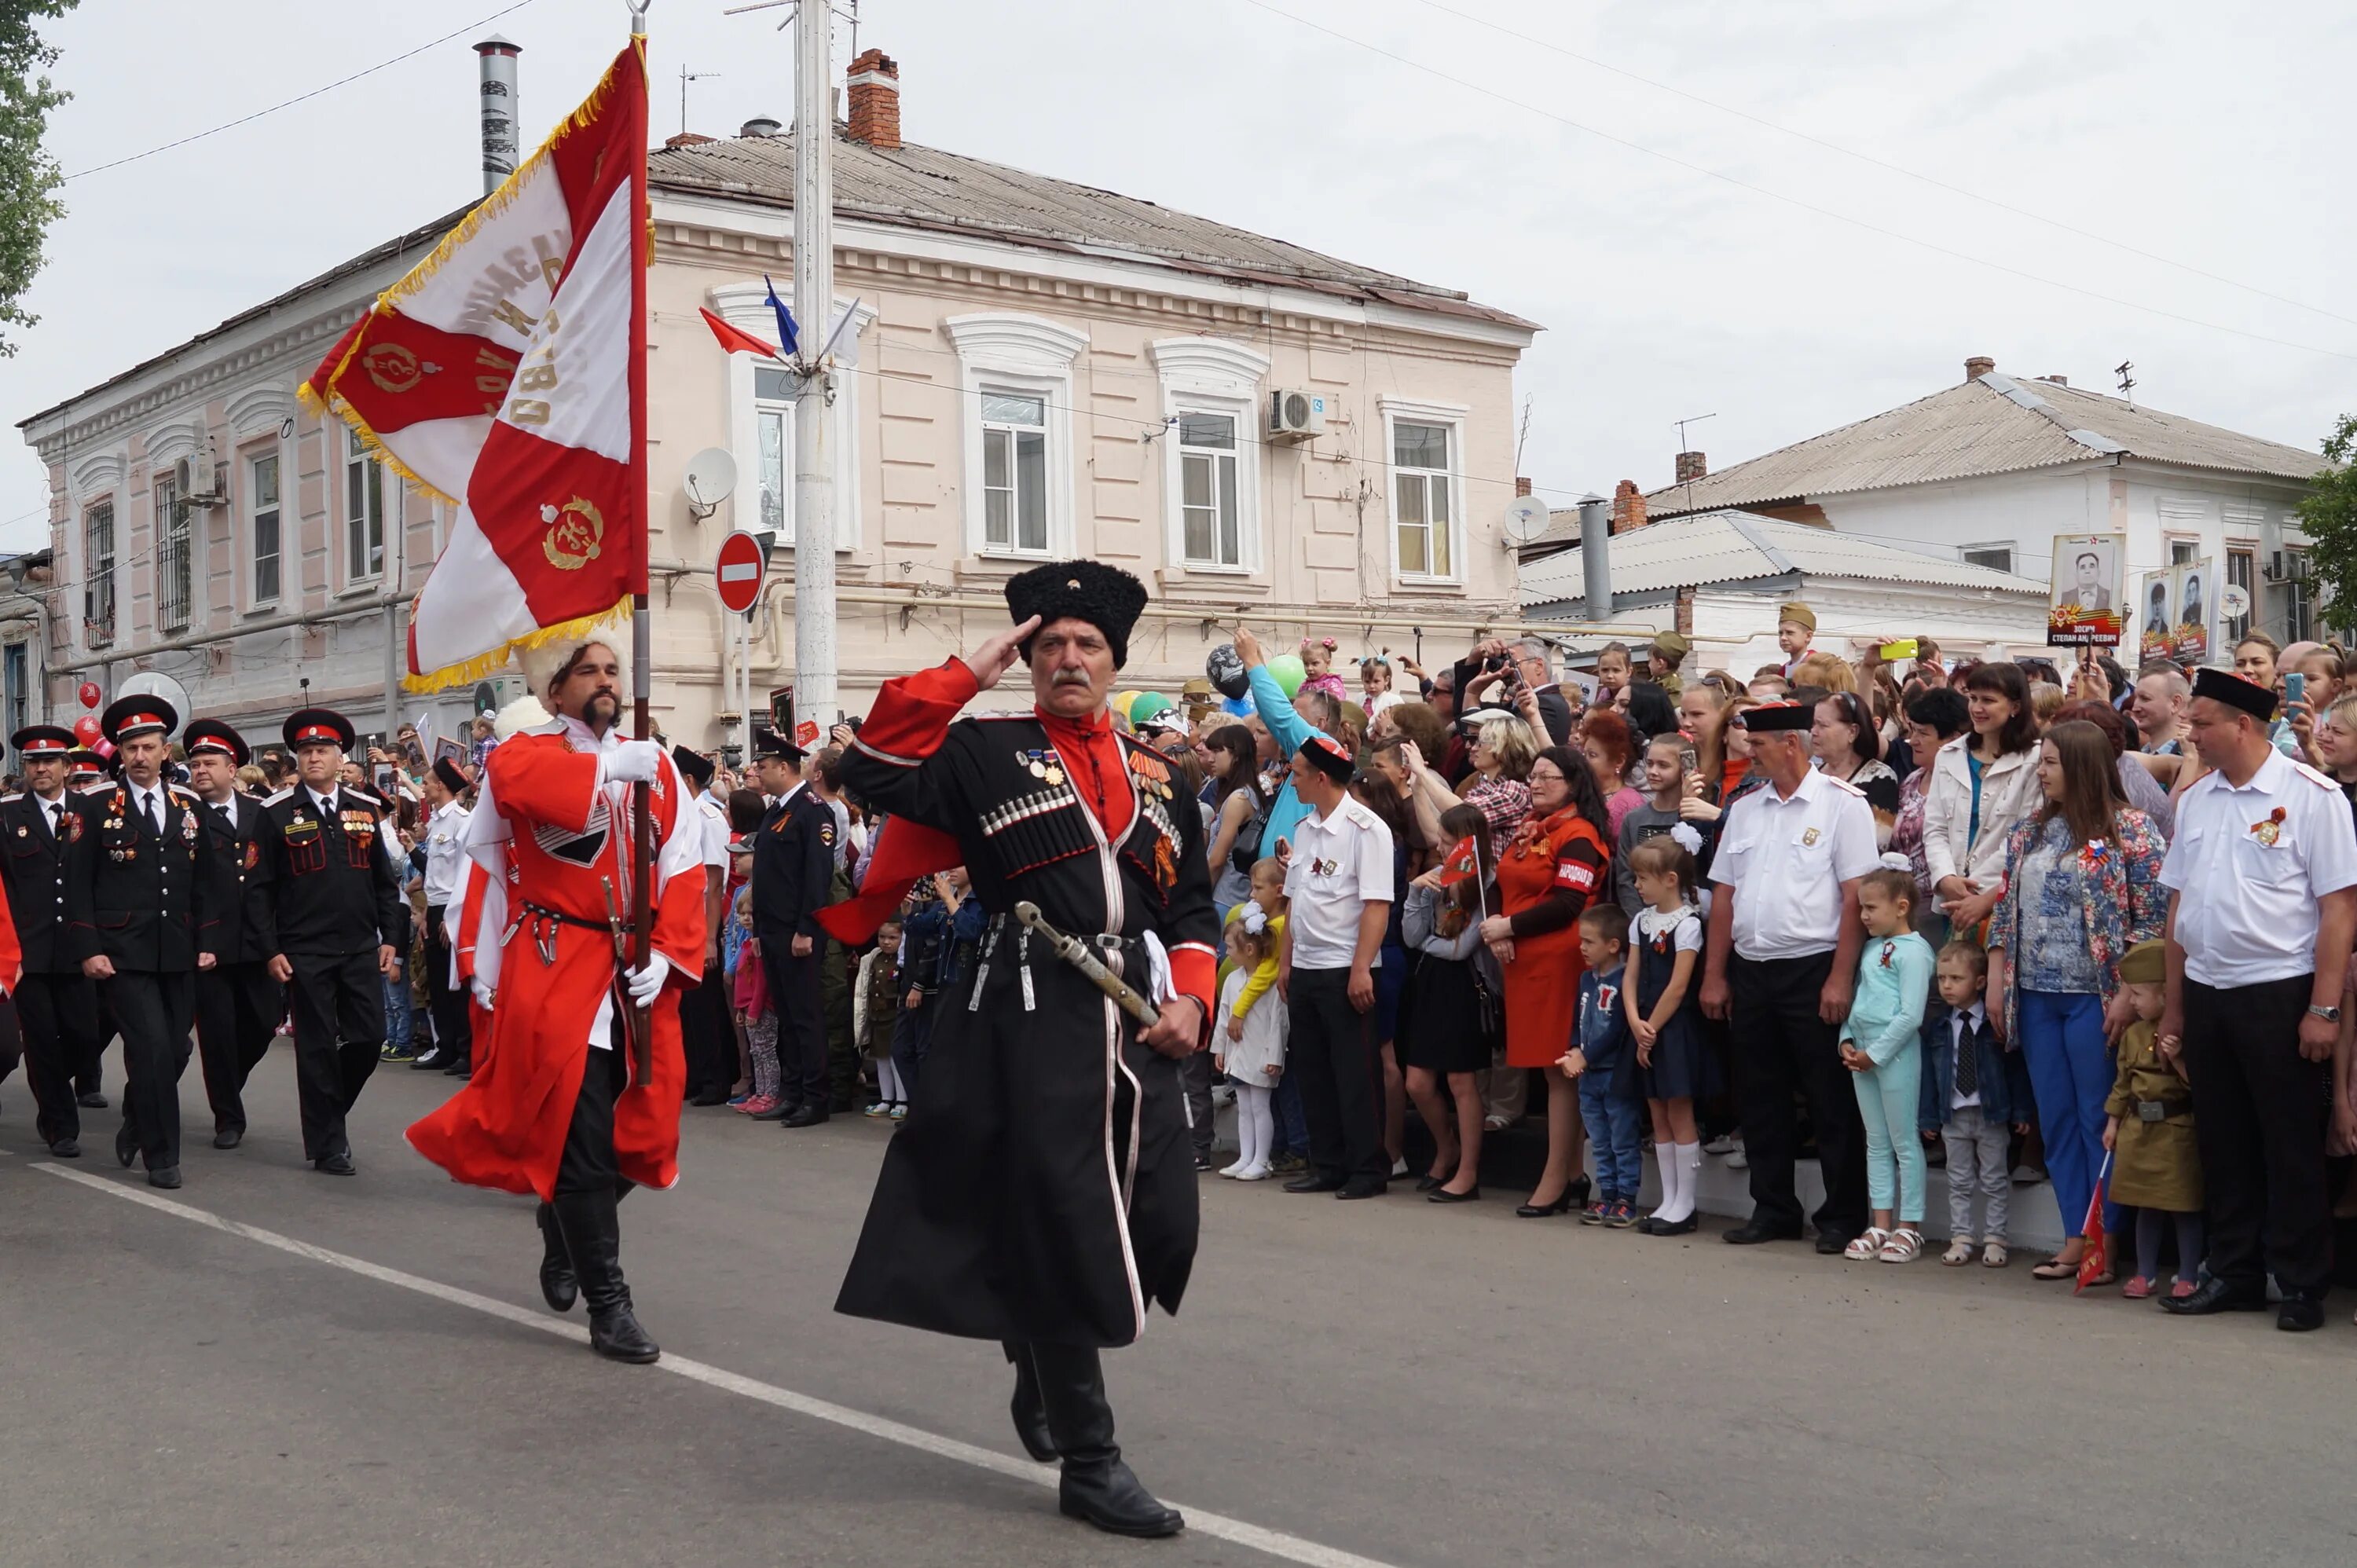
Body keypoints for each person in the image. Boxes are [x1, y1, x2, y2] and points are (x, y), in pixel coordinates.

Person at [827, 561, 1215, 1538]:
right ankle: (1092, 1457)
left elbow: (1197, 905)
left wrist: (1198, 1000)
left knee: (1162, 1209)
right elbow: (868, 766)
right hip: (1029, 1002)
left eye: (1086, 645)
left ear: (1114, 661)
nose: (1068, 659)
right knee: (1067, 1215)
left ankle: (1032, 1336)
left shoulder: (1161, 776)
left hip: (1136, 1013)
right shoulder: (983, 750)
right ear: (1029, 662)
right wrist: (968, 669)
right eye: (1049, 646)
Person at [407, 635, 706, 1364]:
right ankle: (611, 1306)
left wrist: (668, 953)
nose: (605, 683)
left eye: (612, 670)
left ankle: (559, 1219)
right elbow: (520, 785)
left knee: (640, 1137)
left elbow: (686, 865)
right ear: (554, 692)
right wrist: (605, 765)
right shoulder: (526, 752)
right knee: (580, 1136)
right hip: (558, 962)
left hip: (635, 966)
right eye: (587, 672)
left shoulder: (658, 764)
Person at [2154, 668, 2356, 1332]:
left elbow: (2338, 910)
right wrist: (2177, 1008)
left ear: (2245, 724)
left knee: (2289, 1142)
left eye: (2203, 721)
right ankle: (2233, 1270)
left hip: (2279, 991)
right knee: (2223, 1140)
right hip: (2210, 990)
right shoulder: (2199, 799)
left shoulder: (2311, 797)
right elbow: (2179, 905)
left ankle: (2301, 1282)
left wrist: (2323, 1008)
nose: (2193, 733)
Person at [1985, 719, 2167, 1282]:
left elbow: (2153, 919)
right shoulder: (2030, 834)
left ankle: (2105, 1242)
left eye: (2050, 762)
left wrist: (2130, 996)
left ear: (2083, 767)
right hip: (2036, 993)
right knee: (2057, 1118)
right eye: (2041, 761)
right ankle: (2073, 1236)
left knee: (2098, 1118)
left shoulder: (2131, 831)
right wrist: (1996, 975)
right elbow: (2004, 911)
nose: (2041, 772)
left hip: (2097, 996)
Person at [1701, 701, 1878, 1252]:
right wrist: (1714, 976)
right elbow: (1724, 898)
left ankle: (1842, 1214)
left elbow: (1856, 900)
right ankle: (1773, 1207)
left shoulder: (1842, 806)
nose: (1748, 754)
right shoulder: (1747, 810)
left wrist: (1840, 978)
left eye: (1758, 745)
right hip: (1752, 968)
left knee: (1830, 1098)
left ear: (1791, 745)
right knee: (1760, 1095)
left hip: (1813, 966)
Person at [246, 709, 408, 1178]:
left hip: (360, 946)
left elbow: (384, 881)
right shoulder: (275, 813)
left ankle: (328, 1111)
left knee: (369, 1037)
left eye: (323, 750)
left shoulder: (364, 808)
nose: (314, 757)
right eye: (306, 751)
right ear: (297, 759)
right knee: (315, 1047)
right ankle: (328, 1144)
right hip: (304, 951)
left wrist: (391, 938)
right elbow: (258, 890)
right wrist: (270, 949)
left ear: (341, 757)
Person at [65, 697, 219, 1189]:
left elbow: (207, 883)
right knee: (151, 1048)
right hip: (122, 952)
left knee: (175, 1051)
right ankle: (162, 1156)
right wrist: (89, 947)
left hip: (176, 949)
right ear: (121, 752)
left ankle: (136, 1118)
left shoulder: (188, 806)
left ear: (164, 750)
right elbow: (76, 882)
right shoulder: (93, 806)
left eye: (148, 747)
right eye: (130, 748)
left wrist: (208, 939)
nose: (139, 756)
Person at [1479, 744, 1611, 1218]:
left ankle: (1556, 1178)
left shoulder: (1578, 835)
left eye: (1547, 777)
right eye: (1533, 776)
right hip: (1522, 962)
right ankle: (1572, 1173)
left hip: (1560, 965)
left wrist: (1509, 927)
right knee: (1549, 1069)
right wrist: (1498, 927)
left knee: (1561, 1071)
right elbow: (1497, 886)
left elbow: (1568, 903)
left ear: (1573, 784)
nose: (1534, 783)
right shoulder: (1527, 828)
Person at [1277, 731, 1395, 1200]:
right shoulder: (1307, 828)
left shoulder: (1367, 829)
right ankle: (1327, 1163)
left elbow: (1376, 905)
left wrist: (1362, 968)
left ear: (1322, 777)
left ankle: (1367, 1169)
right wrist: (1287, 963)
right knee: (1313, 1070)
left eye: (1298, 775)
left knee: (1355, 1073)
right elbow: (1294, 901)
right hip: (1306, 966)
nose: (1292, 784)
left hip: (1346, 966)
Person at [1, 724, 102, 1156]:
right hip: (29, 950)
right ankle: (59, 1124)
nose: (40, 769)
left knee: (83, 1036)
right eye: (32, 763)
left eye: (49, 762)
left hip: (80, 945)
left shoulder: (92, 811)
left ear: (68, 767)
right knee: (41, 1041)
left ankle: (67, 1095)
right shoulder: (7, 815)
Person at [183, 719, 283, 1145]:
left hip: (259, 942)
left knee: (264, 1023)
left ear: (232, 768)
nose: (200, 771)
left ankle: (229, 1082)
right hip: (211, 945)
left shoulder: (263, 813)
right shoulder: (183, 815)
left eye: (209, 763)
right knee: (217, 1033)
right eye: (195, 764)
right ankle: (228, 1116)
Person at [1399, 802, 1498, 1203]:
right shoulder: (1437, 877)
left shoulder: (1488, 881)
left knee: (1461, 1081)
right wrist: (1415, 893)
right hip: (1430, 982)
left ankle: (1468, 1172)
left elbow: (1462, 950)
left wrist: (1428, 942)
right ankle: (1446, 1147)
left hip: (1466, 984)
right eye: (1439, 841)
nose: (1441, 849)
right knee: (1418, 1082)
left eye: (1448, 842)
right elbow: (1410, 936)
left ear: (1469, 846)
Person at [1836, 867, 1935, 1264]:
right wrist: (1845, 1038)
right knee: (1875, 1140)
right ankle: (1879, 1222)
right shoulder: (1871, 948)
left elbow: (1911, 1015)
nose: (1864, 916)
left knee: (1903, 1141)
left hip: (1894, 1055)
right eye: (1861, 907)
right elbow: (1859, 1000)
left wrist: (1875, 1054)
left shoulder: (1916, 952)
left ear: (1902, 907)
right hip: (1862, 1054)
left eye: (1871, 908)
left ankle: (1909, 1227)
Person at [2102, 939, 2204, 1302]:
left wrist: (2177, 1058)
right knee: (2146, 1205)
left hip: (2176, 1133)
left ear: (2165, 996)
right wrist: (2113, 1124)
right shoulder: (2133, 1035)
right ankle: (2145, 1274)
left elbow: (2201, 1086)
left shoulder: (2186, 1032)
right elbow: (2123, 1083)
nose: (2132, 1002)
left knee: (2183, 1206)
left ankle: (2189, 1273)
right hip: (2139, 1131)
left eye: (2139, 995)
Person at [1917, 941, 2029, 1269]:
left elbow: (2015, 1070)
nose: (1947, 986)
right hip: (1954, 1115)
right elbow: (1931, 1076)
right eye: (1942, 978)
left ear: (1980, 982)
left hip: (1990, 1113)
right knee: (1959, 1179)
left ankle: (1995, 1238)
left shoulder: (1994, 1025)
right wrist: (1928, 1117)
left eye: (1956, 978)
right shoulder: (1938, 1027)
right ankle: (1962, 1237)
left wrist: (2021, 1110)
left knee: (1995, 1178)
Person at [1626, 834, 1713, 1235]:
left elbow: (1679, 986)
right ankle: (1668, 1199)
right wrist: (1633, 1020)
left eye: (1643, 878)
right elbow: (1631, 976)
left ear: (1671, 879)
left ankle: (1686, 1204)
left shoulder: (1689, 924)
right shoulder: (1640, 922)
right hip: (1644, 1025)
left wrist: (1651, 1030)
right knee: (1656, 1109)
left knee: (1678, 1108)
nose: (1638, 885)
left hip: (1672, 1027)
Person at [750, 732, 838, 1127]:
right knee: (785, 1014)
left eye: (763, 766)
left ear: (784, 767)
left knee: (805, 1015)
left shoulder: (811, 811)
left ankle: (816, 1098)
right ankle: (793, 1091)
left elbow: (816, 878)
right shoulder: (775, 811)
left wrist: (806, 928)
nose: (757, 772)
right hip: (772, 930)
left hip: (796, 931)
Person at [1923, 661, 2043, 934]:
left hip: (2002, 902)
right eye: (1973, 698)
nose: (1977, 708)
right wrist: (1945, 877)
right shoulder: (1949, 755)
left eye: (1988, 700)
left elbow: (2024, 837)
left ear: (2015, 707)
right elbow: (1935, 827)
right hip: (1951, 899)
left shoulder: (2035, 760)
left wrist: (1977, 891)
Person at [1558, 903, 1640, 1227]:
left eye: (1589, 942)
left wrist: (1587, 1056)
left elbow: (1619, 1030)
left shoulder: (1625, 981)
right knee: (1599, 1139)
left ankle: (1627, 1198)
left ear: (1613, 945)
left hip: (1615, 1074)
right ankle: (1606, 1194)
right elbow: (1578, 1022)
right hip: (1587, 1075)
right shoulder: (1585, 979)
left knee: (1622, 1138)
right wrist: (1574, 1049)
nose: (1582, 947)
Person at [669, 746, 735, 1106]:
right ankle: (694, 1075)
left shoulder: (707, 817)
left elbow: (714, 884)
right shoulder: (682, 816)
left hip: (702, 924)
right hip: (681, 923)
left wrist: (710, 940)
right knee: (687, 1007)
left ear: (689, 780)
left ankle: (716, 1078)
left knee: (707, 1007)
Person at [405, 756, 475, 1076]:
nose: (425, 787)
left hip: (452, 908)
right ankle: (444, 1046)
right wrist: (426, 918)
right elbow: (433, 872)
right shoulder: (435, 823)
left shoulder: (461, 820)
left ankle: (466, 1050)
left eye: (429, 782)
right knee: (437, 981)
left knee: (456, 984)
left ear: (442, 785)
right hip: (434, 908)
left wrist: (453, 917)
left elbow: (465, 872)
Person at [1215, 907, 1285, 1181]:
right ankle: (1246, 1156)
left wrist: (1275, 1056)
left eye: (1231, 947)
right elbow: (1224, 1017)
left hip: (1261, 1055)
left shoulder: (1268, 985)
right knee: (1244, 1107)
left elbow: (1277, 1023)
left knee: (1259, 1107)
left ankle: (1262, 1159)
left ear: (1250, 949)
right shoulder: (1233, 980)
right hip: (1238, 1054)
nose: (1227, 952)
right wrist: (1219, 1048)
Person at [1890, 687, 1969, 924]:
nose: (1912, 740)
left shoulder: (1965, 786)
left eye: (1923, 734)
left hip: (1942, 906)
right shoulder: (1912, 781)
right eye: (1913, 731)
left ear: (1953, 739)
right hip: (1901, 904)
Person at [1812, 690, 1901, 821]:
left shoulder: (1880, 778)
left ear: (1852, 732)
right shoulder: (1811, 774)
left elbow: (1878, 837)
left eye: (1823, 725)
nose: (1813, 732)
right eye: (1813, 724)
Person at [2231, 634, 2303, 757]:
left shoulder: (2294, 711)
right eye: (2240, 664)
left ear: (2276, 668)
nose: (2247, 669)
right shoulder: (2223, 713)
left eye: (2257, 662)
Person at [1581, 708, 1644, 840]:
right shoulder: (1581, 790)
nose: (1584, 761)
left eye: (1592, 755)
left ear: (1619, 761)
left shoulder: (1630, 804)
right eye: (1584, 754)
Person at [1776, 602, 1816, 676]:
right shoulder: (1782, 671)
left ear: (1808, 636)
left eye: (1790, 633)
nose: (1783, 638)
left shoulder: (1817, 666)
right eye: (1781, 633)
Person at [1647, 630, 1689, 698]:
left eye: (1650, 660)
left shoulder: (1673, 689)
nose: (1648, 665)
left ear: (1660, 663)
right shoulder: (1656, 681)